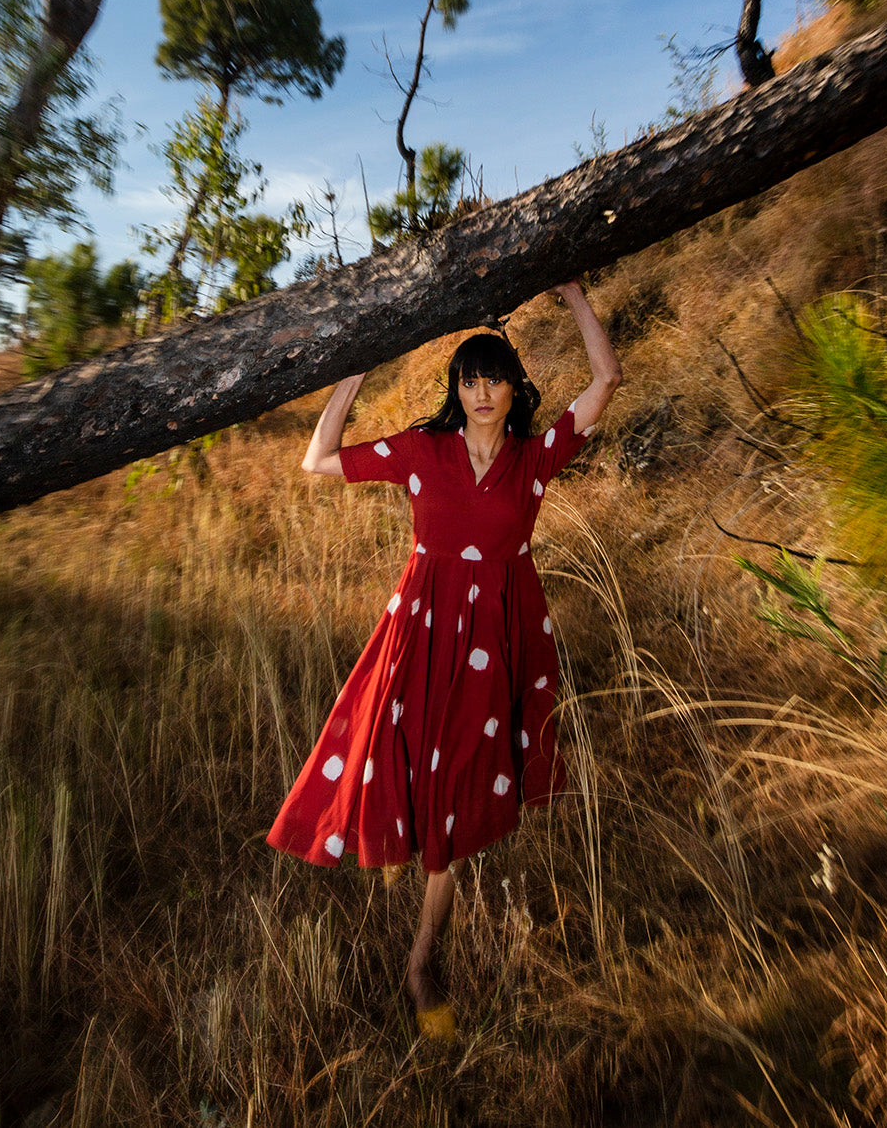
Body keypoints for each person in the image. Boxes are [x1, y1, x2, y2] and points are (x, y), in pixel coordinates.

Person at [266, 281, 622, 1038]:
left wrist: (576, 297)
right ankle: (398, 845)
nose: (482, 391)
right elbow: (317, 459)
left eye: (494, 378)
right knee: (400, 756)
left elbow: (606, 382)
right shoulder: (424, 452)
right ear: (455, 389)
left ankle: (423, 960)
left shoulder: (535, 460)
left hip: (497, 640)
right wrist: (357, 371)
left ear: (512, 388)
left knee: (456, 798)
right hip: (421, 631)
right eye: (469, 378)